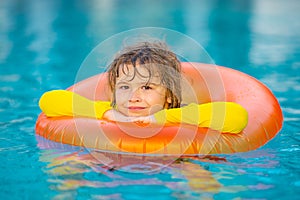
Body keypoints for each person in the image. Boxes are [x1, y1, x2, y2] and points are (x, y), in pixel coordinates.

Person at [39, 41, 248, 133]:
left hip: (177, 162)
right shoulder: (110, 110)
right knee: (72, 165)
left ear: (169, 96)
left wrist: (157, 118)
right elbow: (49, 101)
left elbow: (236, 117)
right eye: (124, 87)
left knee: (197, 174)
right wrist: (108, 113)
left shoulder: (181, 113)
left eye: (147, 88)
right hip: (113, 164)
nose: (133, 97)